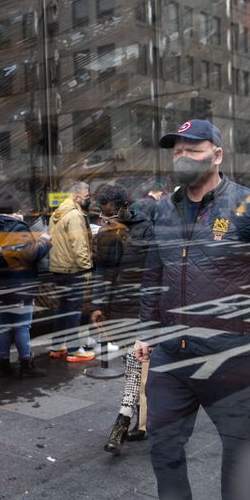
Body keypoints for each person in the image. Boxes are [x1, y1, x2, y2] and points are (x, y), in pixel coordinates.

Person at [135, 120, 250, 500]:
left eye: (192, 150)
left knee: (238, 456)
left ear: (217, 155)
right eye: (177, 151)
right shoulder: (164, 209)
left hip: (234, 357)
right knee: (163, 449)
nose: (183, 158)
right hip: (171, 357)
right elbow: (154, 274)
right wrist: (146, 330)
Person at [89, 183, 154, 454]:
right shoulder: (107, 232)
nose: (107, 218)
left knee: (136, 368)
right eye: (104, 214)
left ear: (125, 206)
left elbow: (156, 273)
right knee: (134, 368)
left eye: (112, 213)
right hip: (120, 308)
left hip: (144, 308)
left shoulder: (147, 230)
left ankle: (123, 421)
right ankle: (137, 421)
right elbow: (102, 270)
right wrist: (97, 304)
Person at [0, 191, 50, 380]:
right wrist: (45, 242)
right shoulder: (18, 226)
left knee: (3, 326)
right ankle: (26, 364)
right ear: (15, 211)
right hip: (20, 284)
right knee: (22, 327)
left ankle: (3, 363)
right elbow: (31, 254)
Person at [48, 181, 95, 362]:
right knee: (74, 309)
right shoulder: (74, 215)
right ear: (77, 196)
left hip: (59, 269)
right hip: (73, 269)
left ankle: (57, 346)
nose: (88, 200)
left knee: (62, 308)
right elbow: (79, 246)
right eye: (86, 197)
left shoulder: (56, 214)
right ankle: (74, 349)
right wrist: (87, 270)